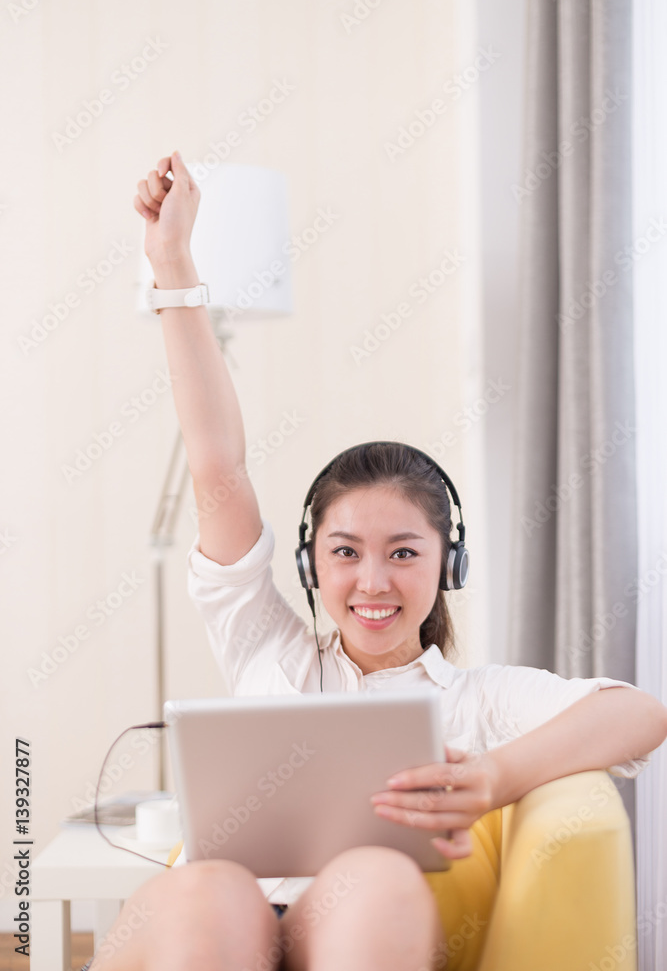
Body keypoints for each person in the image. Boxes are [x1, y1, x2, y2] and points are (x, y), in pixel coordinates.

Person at [83, 151, 667, 971]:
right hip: (226, 920)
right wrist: (172, 264)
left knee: (375, 876)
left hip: (359, 927)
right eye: (345, 553)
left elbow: (639, 713)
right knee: (211, 886)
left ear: (446, 565)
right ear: (309, 562)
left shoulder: (475, 700)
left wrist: (493, 777)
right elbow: (217, 467)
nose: (372, 582)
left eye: (403, 553)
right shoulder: (265, 644)